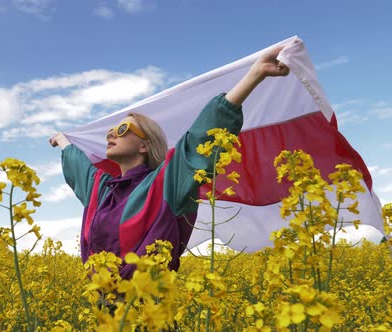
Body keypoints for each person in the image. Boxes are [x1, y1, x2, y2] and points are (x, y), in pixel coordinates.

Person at [49, 46, 290, 279]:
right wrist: (62, 141)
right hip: (104, 314)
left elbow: (200, 138)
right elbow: (79, 166)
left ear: (144, 145)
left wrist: (255, 74)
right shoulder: (101, 191)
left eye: (122, 129)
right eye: (110, 131)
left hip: (151, 313)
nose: (111, 134)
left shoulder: (166, 184)